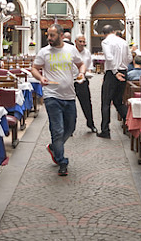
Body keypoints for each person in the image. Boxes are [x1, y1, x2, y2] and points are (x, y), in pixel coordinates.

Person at [31, 23, 83, 175]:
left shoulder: (71, 49)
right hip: (51, 95)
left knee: (71, 127)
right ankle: (62, 161)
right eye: (48, 35)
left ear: (61, 35)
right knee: (58, 130)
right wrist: (40, 77)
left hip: (69, 95)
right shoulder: (44, 52)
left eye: (52, 35)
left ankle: (54, 147)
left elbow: (81, 64)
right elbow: (34, 68)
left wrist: (82, 74)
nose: (49, 38)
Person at [98, 24, 130, 139]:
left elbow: (109, 57)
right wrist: (123, 68)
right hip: (123, 71)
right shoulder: (123, 42)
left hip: (112, 73)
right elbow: (129, 57)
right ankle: (131, 125)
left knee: (106, 102)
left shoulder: (106, 42)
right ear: (113, 31)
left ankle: (105, 130)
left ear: (104, 34)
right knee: (118, 101)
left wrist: (116, 72)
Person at [73, 34, 96, 134]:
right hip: (71, 81)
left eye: (84, 42)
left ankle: (91, 124)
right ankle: (70, 128)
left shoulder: (87, 52)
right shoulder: (70, 51)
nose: (82, 44)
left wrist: (89, 72)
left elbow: (90, 65)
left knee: (86, 103)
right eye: (80, 41)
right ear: (75, 41)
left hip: (83, 81)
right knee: (70, 105)